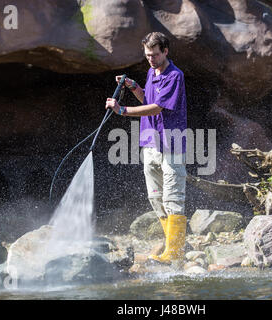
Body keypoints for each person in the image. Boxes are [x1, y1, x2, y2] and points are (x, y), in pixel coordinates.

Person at [105, 32, 187, 265]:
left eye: (154, 54)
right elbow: (146, 99)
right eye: (147, 55)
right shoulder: (152, 72)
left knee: (173, 198)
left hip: (171, 144)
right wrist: (133, 87)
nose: (150, 59)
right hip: (150, 143)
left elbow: (156, 109)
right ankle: (170, 249)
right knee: (156, 197)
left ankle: (174, 253)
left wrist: (122, 111)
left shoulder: (175, 76)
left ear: (165, 51)